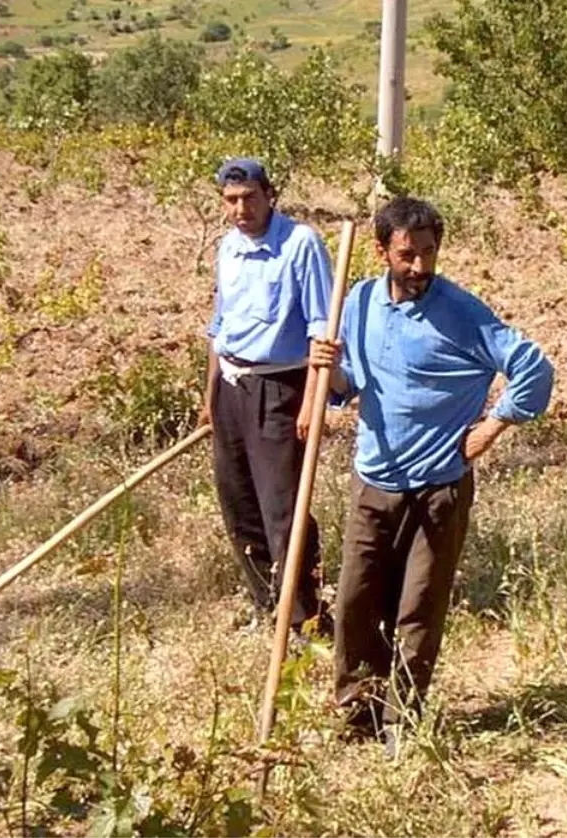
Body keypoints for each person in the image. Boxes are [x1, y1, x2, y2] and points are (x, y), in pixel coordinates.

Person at [309, 196, 554, 747]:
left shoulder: (462, 312)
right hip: (374, 479)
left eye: (428, 253)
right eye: (406, 255)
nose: (419, 267)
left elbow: (533, 366)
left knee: (416, 609)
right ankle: (358, 712)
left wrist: (493, 426)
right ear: (381, 252)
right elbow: (353, 387)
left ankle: (401, 720)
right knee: (353, 602)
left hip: (438, 486)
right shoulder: (359, 302)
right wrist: (332, 373)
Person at [201, 157, 333, 635]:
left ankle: (305, 619)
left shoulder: (300, 245)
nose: (242, 209)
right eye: (232, 201)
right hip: (231, 389)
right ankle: (267, 605)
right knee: (238, 503)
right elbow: (220, 326)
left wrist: (311, 400)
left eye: (250, 198)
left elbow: (323, 330)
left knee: (283, 507)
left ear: (269, 195)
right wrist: (209, 396)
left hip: (280, 387)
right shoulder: (228, 249)